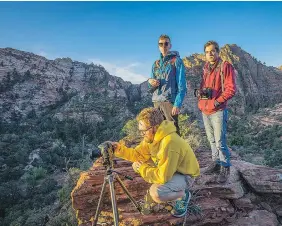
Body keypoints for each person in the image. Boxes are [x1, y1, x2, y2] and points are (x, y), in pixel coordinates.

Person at [112, 107, 200, 217]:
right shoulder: (152, 137)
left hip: (185, 175)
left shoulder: (169, 143)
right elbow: (138, 154)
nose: (141, 134)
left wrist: (143, 169)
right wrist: (117, 149)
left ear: (155, 127)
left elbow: (163, 177)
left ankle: (182, 195)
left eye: (144, 131)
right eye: (141, 131)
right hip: (171, 169)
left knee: (156, 193)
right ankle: (169, 189)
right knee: (138, 164)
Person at [197, 40, 236, 183]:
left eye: (212, 51)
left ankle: (225, 167)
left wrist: (216, 101)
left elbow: (231, 89)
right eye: (207, 52)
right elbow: (204, 86)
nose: (210, 54)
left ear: (218, 52)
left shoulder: (225, 66)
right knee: (211, 140)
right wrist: (200, 97)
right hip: (205, 109)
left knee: (220, 141)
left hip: (218, 110)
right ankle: (216, 163)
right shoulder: (206, 68)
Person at [148, 34, 187, 135]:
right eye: (161, 44)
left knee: (173, 132)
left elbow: (182, 85)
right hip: (156, 101)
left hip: (169, 102)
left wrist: (177, 104)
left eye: (166, 44)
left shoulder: (176, 61)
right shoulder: (155, 64)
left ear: (170, 45)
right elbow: (150, 87)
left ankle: (177, 151)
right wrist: (151, 82)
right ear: (158, 46)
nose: (163, 46)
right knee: (159, 132)